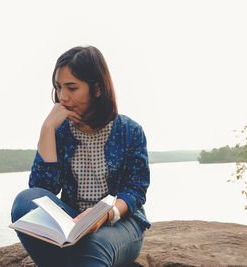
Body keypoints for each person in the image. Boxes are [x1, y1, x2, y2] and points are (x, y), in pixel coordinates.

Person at [11, 45, 150, 267]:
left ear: (96, 88)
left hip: (119, 222)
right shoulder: (59, 131)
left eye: (72, 88)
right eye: (58, 87)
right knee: (24, 203)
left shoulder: (130, 131)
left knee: (95, 244)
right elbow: (42, 192)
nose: (62, 97)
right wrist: (47, 130)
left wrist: (102, 216)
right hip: (73, 221)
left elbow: (136, 191)